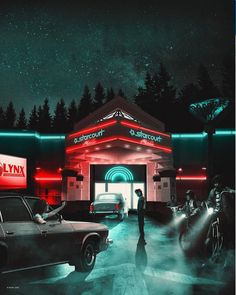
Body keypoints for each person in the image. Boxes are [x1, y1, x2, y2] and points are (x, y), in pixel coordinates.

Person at [206, 174, 235, 250]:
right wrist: (209, 206)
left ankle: (230, 243)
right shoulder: (212, 191)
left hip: (225, 213)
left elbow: (233, 193)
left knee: (228, 227)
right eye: (215, 183)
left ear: (221, 183)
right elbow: (209, 201)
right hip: (215, 212)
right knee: (210, 221)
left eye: (218, 183)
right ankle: (208, 237)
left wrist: (232, 193)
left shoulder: (226, 190)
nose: (217, 184)